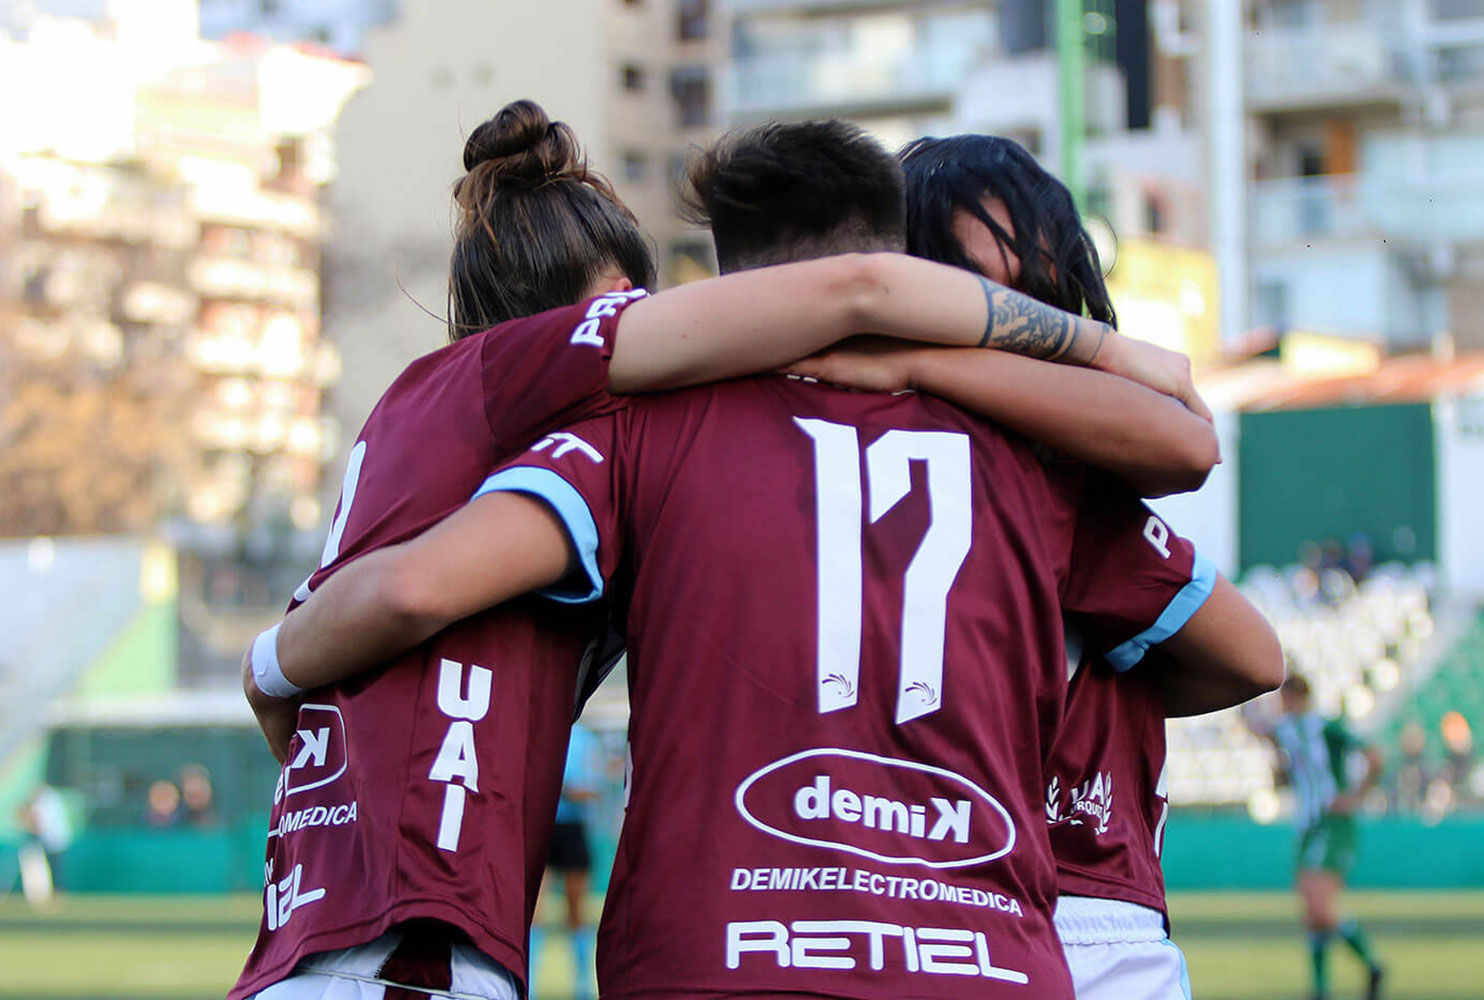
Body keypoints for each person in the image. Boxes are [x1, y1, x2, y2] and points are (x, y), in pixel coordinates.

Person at [253, 119, 1284, 998]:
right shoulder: (1036, 451)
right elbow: (1202, 493)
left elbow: (402, 588)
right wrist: (1081, 353)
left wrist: (274, 664)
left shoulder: (620, 428)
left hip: (693, 949)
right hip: (998, 947)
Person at [844, 132, 1279, 1000]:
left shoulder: (840, 457)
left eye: (1033, 285)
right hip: (1060, 901)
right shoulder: (1048, 483)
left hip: (924, 900)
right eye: (986, 283)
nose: (1018, 312)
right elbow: (1253, 656)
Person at [1256, 673, 1385, 1000]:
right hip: (1305, 826)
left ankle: (1371, 964)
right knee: (1312, 914)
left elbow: (1374, 755)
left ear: (1295, 697)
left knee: (1321, 909)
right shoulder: (1286, 732)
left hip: (1332, 823)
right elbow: (1285, 774)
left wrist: (1356, 796)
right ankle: (1321, 988)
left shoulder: (1325, 727)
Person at [535, 723, 607, 1000]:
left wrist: (562, 789)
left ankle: (583, 986)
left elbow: (594, 788)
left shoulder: (585, 739)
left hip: (573, 829)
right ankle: (528, 983)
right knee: (533, 912)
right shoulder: (539, 733)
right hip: (542, 828)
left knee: (575, 910)